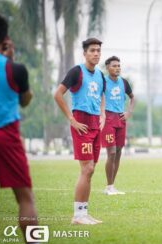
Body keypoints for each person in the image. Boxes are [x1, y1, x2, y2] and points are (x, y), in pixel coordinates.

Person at [0, 14, 40, 244]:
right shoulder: (15, 69)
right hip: (6, 136)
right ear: (5, 38)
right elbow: (26, 100)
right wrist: (10, 59)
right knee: (25, 198)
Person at [54, 38, 106, 224]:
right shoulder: (77, 72)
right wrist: (71, 119)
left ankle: (83, 213)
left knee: (90, 171)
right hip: (81, 122)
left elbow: (101, 96)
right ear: (84, 53)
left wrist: (103, 116)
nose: (96, 54)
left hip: (94, 124)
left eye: (98, 50)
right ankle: (77, 216)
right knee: (87, 168)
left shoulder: (100, 75)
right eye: (92, 50)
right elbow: (57, 94)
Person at [101, 56, 135, 195]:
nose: (117, 68)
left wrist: (129, 112)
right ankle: (108, 187)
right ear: (108, 68)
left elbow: (132, 97)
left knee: (119, 152)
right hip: (108, 118)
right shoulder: (102, 81)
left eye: (119, 66)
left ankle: (112, 186)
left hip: (121, 119)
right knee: (112, 152)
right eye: (114, 66)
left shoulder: (124, 82)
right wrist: (100, 113)